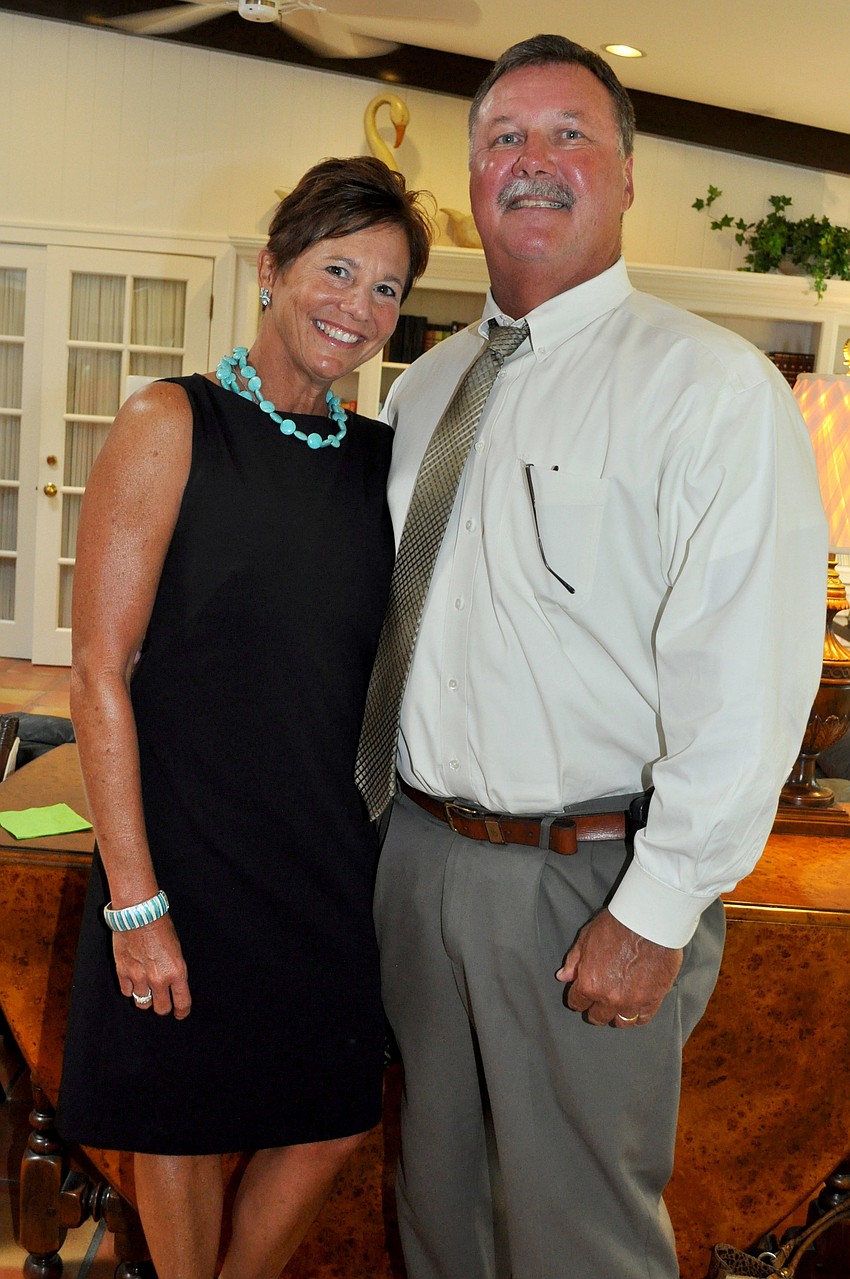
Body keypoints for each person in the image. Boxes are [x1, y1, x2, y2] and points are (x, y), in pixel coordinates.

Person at [368, 34, 827, 1279]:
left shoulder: (709, 390)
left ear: (626, 176)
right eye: (504, 138)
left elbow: (752, 682)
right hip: (416, 856)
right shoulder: (424, 387)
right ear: (470, 180)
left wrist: (659, 904)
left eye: (570, 134)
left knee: (578, 1236)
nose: (533, 160)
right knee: (435, 1205)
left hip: (587, 878)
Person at [56, 155, 431, 1279]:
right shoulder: (172, 421)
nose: (356, 308)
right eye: (335, 269)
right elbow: (98, 671)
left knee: (332, 1115)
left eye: (386, 289)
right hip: (185, 851)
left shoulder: (384, 463)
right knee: (180, 1115)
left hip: (326, 852)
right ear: (269, 270)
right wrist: (136, 899)